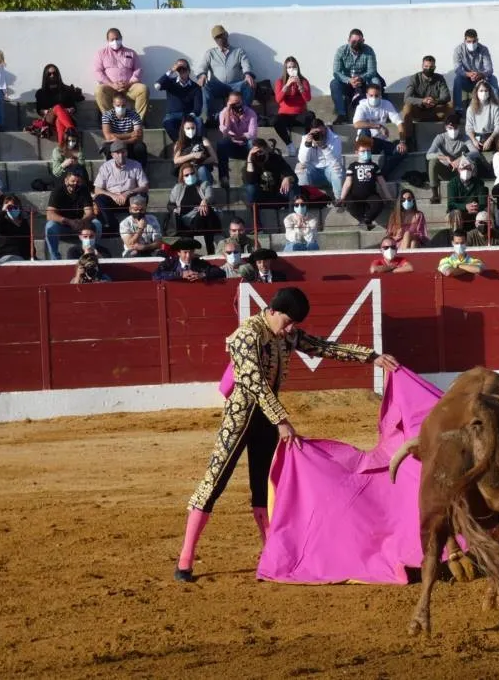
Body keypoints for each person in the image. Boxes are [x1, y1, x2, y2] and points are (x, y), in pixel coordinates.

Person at [173, 286, 399, 581]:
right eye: (288, 322)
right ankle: (185, 560)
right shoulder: (246, 335)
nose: (291, 329)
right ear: (272, 311)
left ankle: (272, 554)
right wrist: (281, 420)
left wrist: (371, 356)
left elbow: (323, 347)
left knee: (264, 487)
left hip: (265, 421)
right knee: (214, 481)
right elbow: (255, 383)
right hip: (239, 417)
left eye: (295, 324)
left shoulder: (285, 334)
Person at [195, 25, 255, 124]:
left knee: (249, 84)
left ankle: (244, 114)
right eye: (217, 37)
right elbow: (202, 67)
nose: (220, 39)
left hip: (235, 85)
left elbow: (246, 64)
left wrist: (248, 74)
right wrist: (202, 75)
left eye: (221, 35)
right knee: (204, 86)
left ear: (226, 34)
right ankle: (208, 117)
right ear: (214, 40)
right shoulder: (210, 53)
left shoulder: (238, 51)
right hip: (217, 85)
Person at [93, 140, 150, 232]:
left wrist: (127, 193)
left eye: (123, 152)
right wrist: (113, 195)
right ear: (112, 155)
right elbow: (97, 189)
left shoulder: (136, 165)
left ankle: (137, 224)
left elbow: (145, 186)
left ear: (127, 152)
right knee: (99, 198)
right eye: (117, 153)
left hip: (130, 198)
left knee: (142, 196)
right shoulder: (105, 167)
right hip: (112, 198)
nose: (121, 155)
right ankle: (113, 225)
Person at [352, 83, 406, 179]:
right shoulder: (362, 106)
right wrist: (378, 126)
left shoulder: (386, 104)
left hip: (380, 141)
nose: (374, 98)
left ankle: (381, 176)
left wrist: (402, 142)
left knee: (401, 150)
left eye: (377, 95)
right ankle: (367, 167)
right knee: (365, 130)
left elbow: (399, 123)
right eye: (371, 95)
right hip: (364, 141)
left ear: (380, 95)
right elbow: (357, 124)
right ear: (367, 95)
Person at [338, 137, 392, 230]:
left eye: (368, 151)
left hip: (370, 195)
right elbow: (348, 182)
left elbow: (382, 182)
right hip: (355, 195)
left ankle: (368, 219)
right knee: (349, 203)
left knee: (378, 203)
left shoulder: (374, 166)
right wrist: (342, 197)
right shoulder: (352, 166)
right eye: (363, 151)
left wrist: (388, 196)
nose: (366, 153)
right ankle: (362, 220)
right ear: (357, 152)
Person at [330, 28, 382, 124]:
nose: (356, 43)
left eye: (359, 41)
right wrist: (349, 80)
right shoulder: (341, 51)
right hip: (346, 82)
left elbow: (372, 71)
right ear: (348, 40)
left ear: (363, 41)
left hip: (364, 81)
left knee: (376, 81)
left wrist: (361, 78)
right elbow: (336, 72)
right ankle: (341, 114)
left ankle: (377, 112)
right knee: (334, 83)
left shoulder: (369, 50)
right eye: (353, 41)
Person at [93, 28, 149, 117]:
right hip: (110, 87)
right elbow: (97, 71)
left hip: (129, 87)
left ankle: (138, 121)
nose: (115, 41)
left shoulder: (131, 53)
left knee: (143, 89)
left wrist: (129, 83)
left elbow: (138, 69)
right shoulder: (101, 53)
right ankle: (110, 119)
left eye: (117, 38)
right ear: (107, 40)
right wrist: (112, 84)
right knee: (99, 90)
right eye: (112, 39)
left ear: (121, 38)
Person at [46, 171, 99, 261]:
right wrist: (69, 221)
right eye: (73, 181)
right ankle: (55, 259)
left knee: (97, 224)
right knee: (50, 225)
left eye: (78, 182)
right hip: (63, 225)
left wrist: (82, 221)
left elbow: (89, 212)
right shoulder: (57, 191)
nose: (75, 184)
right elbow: (50, 214)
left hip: (80, 224)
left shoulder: (84, 190)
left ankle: (91, 253)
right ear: (66, 181)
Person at [426, 113, 478, 205]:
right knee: (432, 162)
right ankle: (435, 194)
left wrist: (461, 158)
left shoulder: (464, 138)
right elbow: (428, 155)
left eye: (455, 127)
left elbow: (475, 152)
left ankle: (472, 191)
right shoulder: (440, 137)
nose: (453, 130)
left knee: (472, 161)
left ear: (459, 127)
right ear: (446, 127)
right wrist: (445, 157)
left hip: (460, 170)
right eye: (450, 128)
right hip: (445, 169)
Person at [401, 55, 452, 148]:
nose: (428, 69)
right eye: (426, 66)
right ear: (422, 66)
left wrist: (435, 101)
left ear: (435, 67)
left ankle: (449, 137)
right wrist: (422, 101)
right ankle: (408, 139)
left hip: (435, 111)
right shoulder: (414, 78)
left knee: (450, 105)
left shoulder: (440, 78)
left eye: (431, 67)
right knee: (406, 107)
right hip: (419, 111)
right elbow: (407, 98)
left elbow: (446, 96)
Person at [169, 163, 218, 255]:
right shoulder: (178, 188)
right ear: (182, 177)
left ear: (195, 173)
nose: (190, 176)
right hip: (186, 219)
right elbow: (170, 204)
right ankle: (208, 250)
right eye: (186, 175)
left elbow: (210, 196)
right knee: (205, 214)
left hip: (203, 217)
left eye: (192, 173)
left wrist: (205, 201)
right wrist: (175, 210)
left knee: (206, 211)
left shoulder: (204, 184)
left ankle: (209, 250)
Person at [243, 139, 298, 214]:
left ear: (266, 149)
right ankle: (255, 218)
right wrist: (249, 159)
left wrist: (288, 178)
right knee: (250, 188)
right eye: (255, 152)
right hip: (260, 197)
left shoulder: (276, 158)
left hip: (277, 194)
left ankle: (294, 216)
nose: (258, 154)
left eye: (260, 151)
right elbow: (250, 181)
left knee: (293, 186)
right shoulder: (251, 162)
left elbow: (294, 177)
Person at [294, 118, 344, 201]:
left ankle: (339, 200)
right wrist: (307, 145)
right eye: (316, 132)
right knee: (300, 167)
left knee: (337, 167)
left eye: (321, 132)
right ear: (311, 131)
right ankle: (304, 200)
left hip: (330, 172)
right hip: (314, 172)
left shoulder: (335, 138)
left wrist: (323, 146)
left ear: (325, 127)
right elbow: (303, 161)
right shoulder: (306, 138)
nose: (319, 134)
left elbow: (335, 160)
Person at [216, 92, 258, 187]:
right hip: (231, 145)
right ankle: (224, 178)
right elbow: (225, 131)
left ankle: (253, 177)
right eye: (233, 103)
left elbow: (252, 134)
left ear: (242, 101)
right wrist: (228, 112)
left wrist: (237, 137)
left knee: (253, 143)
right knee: (221, 144)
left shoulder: (250, 113)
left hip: (246, 144)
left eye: (238, 102)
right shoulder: (223, 113)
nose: (236, 105)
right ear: (228, 102)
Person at [452, 28, 499, 113]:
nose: (472, 44)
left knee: (493, 79)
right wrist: (468, 74)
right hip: (466, 80)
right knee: (457, 79)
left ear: (477, 40)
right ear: (464, 40)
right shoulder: (458, 50)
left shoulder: (484, 49)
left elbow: (489, 69)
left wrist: (480, 74)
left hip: (481, 80)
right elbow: (457, 69)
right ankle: (458, 110)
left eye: (474, 41)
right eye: (469, 41)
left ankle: (496, 109)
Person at [155, 58, 203, 142]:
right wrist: (171, 71)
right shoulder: (170, 83)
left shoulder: (195, 87)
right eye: (179, 69)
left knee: (199, 121)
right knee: (167, 123)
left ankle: (197, 144)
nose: (182, 71)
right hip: (172, 115)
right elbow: (157, 86)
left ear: (189, 70)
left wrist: (190, 116)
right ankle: (181, 144)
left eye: (184, 69)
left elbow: (198, 107)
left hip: (188, 114)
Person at [274, 57, 313, 156]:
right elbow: (278, 99)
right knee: (275, 120)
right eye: (289, 67)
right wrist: (287, 85)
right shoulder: (280, 81)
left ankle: (306, 143)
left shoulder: (303, 81)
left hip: (299, 115)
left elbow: (307, 98)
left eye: (294, 67)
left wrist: (299, 84)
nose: (292, 69)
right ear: (285, 69)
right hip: (285, 115)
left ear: (297, 68)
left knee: (310, 116)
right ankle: (290, 145)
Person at [35, 63, 81, 146]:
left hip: (64, 118)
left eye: (54, 73)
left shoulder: (67, 90)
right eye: (49, 74)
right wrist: (46, 111)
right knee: (57, 107)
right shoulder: (40, 92)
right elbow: (39, 110)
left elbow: (73, 107)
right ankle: (72, 130)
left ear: (58, 74)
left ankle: (61, 147)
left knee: (59, 121)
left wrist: (69, 109)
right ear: (45, 76)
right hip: (49, 118)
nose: (52, 76)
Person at [101, 92, 148, 168]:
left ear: (126, 104)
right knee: (107, 147)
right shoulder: (107, 115)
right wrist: (130, 134)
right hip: (116, 143)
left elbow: (138, 137)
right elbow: (108, 137)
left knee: (140, 147)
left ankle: (140, 170)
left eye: (123, 106)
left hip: (129, 143)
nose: (120, 108)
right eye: (118, 105)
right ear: (113, 104)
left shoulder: (134, 115)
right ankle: (112, 170)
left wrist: (120, 141)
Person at [465, 79, 499, 166]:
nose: (484, 93)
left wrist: (490, 139)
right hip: (476, 137)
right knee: (468, 149)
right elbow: (468, 128)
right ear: (476, 92)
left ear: (489, 92)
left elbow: (498, 126)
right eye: (481, 91)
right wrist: (474, 140)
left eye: (486, 91)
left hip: (491, 135)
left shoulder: (495, 107)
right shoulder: (470, 109)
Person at [152, 237, 225, 282]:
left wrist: (203, 274)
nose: (188, 256)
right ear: (178, 253)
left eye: (191, 252)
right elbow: (156, 275)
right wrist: (180, 274)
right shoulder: (170, 263)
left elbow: (220, 272)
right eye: (185, 252)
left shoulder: (199, 263)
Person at [446, 156, 486, 233]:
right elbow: (451, 204)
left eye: (468, 168)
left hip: (475, 211)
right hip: (458, 212)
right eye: (463, 168)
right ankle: (456, 236)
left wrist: (475, 207)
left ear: (472, 169)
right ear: (458, 169)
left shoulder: (479, 183)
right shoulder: (452, 184)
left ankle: (484, 236)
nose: (466, 170)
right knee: (455, 213)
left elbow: (483, 203)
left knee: (485, 213)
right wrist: (465, 207)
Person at [173, 115, 217, 184]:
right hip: (188, 173)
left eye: (193, 128)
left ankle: (205, 189)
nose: (191, 130)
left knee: (202, 170)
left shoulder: (203, 139)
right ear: (183, 129)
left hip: (202, 171)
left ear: (196, 128)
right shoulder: (180, 143)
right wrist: (192, 156)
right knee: (187, 172)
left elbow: (213, 158)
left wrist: (200, 162)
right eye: (188, 128)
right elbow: (176, 160)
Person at [0, 194, 33, 261]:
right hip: (4, 255)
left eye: (15, 207)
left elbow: (29, 241)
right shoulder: (3, 221)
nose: (13, 209)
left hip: (21, 256)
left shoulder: (24, 223)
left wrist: (33, 256)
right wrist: (3, 212)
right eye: (10, 207)